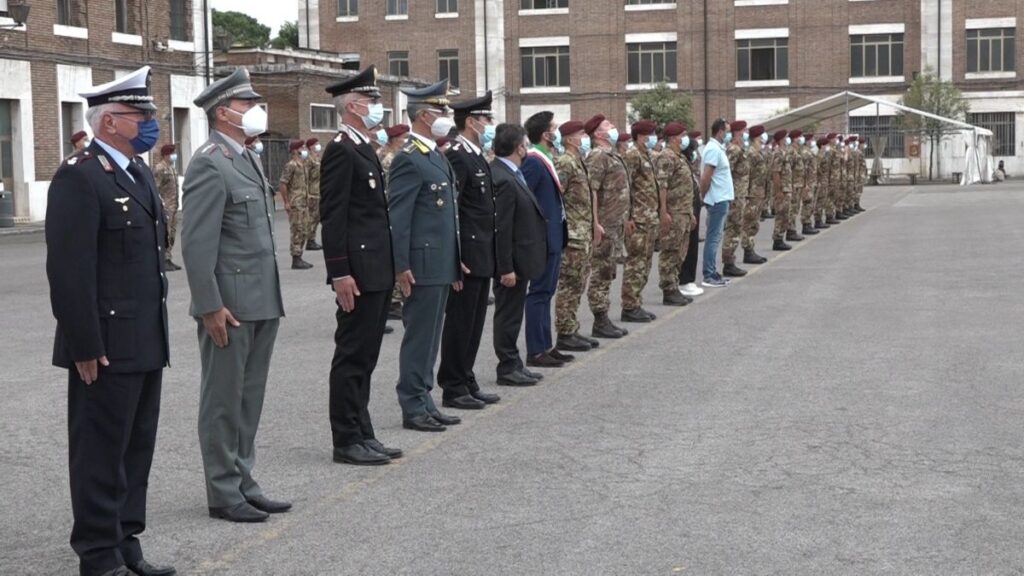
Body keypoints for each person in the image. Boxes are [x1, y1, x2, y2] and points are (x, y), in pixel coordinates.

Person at [47, 65, 176, 576]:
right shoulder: (79, 176)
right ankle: (98, 555)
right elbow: (68, 271)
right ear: (109, 121)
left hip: (144, 336)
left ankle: (127, 542)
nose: (148, 122)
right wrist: (83, 344)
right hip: (103, 342)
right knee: (100, 452)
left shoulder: (138, 172)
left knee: (135, 448)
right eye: (138, 114)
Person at [182, 67, 290, 524]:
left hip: (261, 298)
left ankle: (244, 480)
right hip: (229, 305)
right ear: (223, 112)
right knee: (224, 399)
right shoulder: (209, 162)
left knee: (249, 397)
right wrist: (209, 306)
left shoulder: (245, 156)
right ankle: (222, 491)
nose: (255, 111)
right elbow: (197, 242)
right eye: (247, 104)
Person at [320, 66, 403, 465]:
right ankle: (346, 438)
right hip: (356, 270)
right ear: (353, 105)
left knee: (367, 354)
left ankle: (362, 430)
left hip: (375, 268)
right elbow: (333, 216)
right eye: (372, 101)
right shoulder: (340, 149)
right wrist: (339, 272)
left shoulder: (363, 146)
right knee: (352, 354)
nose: (378, 108)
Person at [388, 79, 463, 432]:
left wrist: (455, 257)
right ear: (422, 116)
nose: (447, 117)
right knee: (419, 336)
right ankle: (412, 404)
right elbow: (398, 219)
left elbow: (448, 217)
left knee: (432, 335)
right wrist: (400, 266)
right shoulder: (409, 159)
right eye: (441, 111)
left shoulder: (434, 154)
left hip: (441, 262)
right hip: (421, 264)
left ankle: (425, 398)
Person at [437, 90, 503, 410]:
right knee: (461, 321)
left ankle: (466, 377)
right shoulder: (457, 156)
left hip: (482, 252)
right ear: (472, 121)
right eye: (486, 118)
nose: (490, 123)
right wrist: (455, 256)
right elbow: (451, 210)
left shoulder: (477, 154)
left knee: (475, 321)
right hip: (467, 256)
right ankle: (452, 385)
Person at [491, 123, 548, 386]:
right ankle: (507, 367)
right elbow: (501, 228)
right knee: (508, 315)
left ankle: (514, 363)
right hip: (511, 262)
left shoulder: (512, 173)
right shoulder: (501, 177)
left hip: (520, 259)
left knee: (514, 314)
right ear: (519, 148)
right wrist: (505, 268)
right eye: (525, 144)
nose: (527, 148)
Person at [521, 111, 571, 367]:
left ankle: (546, 345)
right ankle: (535, 350)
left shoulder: (547, 159)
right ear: (545, 134)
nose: (557, 131)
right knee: (538, 293)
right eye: (554, 127)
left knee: (547, 292)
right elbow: (525, 201)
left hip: (553, 237)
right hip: (542, 239)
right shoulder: (533, 161)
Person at [553, 119, 603, 351]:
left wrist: (595, 224)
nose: (585, 138)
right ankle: (564, 332)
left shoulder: (578, 161)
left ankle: (572, 328)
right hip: (572, 233)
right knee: (569, 284)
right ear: (570, 139)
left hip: (583, 231)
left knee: (579, 282)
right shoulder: (564, 162)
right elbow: (557, 197)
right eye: (582, 134)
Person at [583, 114, 630, 339]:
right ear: (598, 134)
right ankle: (600, 320)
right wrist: (595, 224)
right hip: (605, 224)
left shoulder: (612, 154)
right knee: (601, 272)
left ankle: (604, 318)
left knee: (608, 271)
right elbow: (591, 190)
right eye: (608, 125)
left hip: (615, 224)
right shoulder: (598, 156)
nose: (613, 127)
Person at [620, 119, 662, 320]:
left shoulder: (646, 154)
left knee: (645, 263)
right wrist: (628, 217)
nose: (651, 138)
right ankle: (629, 306)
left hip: (649, 217)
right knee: (635, 263)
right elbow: (626, 187)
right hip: (638, 218)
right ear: (639, 136)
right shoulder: (632, 155)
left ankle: (636, 302)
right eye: (648, 135)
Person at [653, 122, 695, 306]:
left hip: (683, 211)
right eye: (682, 134)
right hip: (673, 212)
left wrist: (691, 213)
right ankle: (668, 290)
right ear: (673, 137)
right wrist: (663, 211)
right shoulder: (666, 157)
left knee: (680, 252)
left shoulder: (679, 157)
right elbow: (662, 186)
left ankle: (674, 286)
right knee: (670, 252)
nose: (685, 138)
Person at [698, 118, 734, 287]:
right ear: (720, 132)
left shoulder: (718, 148)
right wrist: (704, 196)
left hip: (721, 198)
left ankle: (712, 272)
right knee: (713, 238)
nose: (728, 135)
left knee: (715, 237)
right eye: (727, 131)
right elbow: (706, 177)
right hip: (717, 200)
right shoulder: (713, 149)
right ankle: (709, 275)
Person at [678, 131, 705, 297]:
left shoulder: (687, 163)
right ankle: (683, 281)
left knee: (692, 245)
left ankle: (688, 280)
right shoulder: (678, 161)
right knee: (684, 248)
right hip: (684, 209)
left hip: (692, 207)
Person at [279, 140, 313, 269]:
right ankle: (296, 258)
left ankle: (300, 256)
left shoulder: (303, 165)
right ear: (295, 150)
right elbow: (283, 183)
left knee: (304, 230)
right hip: (296, 203)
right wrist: (286, 202)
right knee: (297, 230)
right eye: (302, 147)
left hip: (304, 202)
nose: (304, 149)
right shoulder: (291, 165)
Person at [721, 120, 749, 277]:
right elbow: (727, 173)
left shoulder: (739, 149)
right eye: (743, 131)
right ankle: (728, 263)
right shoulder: (733, 150)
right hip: (735, 195)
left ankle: (730, 260)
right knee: (733, 228)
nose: (745, 135)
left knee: (737, 227)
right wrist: (729, 195)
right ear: (737, 133)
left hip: (740, 194)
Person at [741, 125, 770, 264]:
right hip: (752, 193)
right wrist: (746, 193)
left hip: (758, 192)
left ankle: (751, 249)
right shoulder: (751, 153)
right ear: (758, 136)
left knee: (754, 223)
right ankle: (748, 251)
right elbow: (747, 173)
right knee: (749, 223)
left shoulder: (758, 151)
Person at [153, 143, 182, 271]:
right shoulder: (160, 168)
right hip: (165, 207)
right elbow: (155, 188)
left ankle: (168, 258)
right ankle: (163, 259)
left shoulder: (172, 168)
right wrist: (160, 205)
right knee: (165, 233)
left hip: (174, 206)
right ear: (166, 155)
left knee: (172, 234)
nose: (174, 156)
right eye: (172, 153)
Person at [770, 129, 794, 251]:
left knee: (785, 214)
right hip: (782, 189)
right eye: (784, 137)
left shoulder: (784, 152)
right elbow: (776, 173)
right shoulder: (778, 153)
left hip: (787, 188)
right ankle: (777, 240)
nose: (786, 139)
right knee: (781, 214)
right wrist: (778, 190)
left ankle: (780, 238)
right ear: (780, 140)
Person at [799, 133, 821, 237]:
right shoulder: (805, 153)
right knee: (807, 203)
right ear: (807, 141)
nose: (813, 141)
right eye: (812, 139)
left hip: (812, 181)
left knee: (811, 203)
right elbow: (804, 170)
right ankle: (806, 224)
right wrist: (806, 184)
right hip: (808, 183)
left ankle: (808, 223)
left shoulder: (809, 152)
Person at [305, 137, 323, 251]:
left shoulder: (317, 158)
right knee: (313, 217)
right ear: (311, 146)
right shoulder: (309, 160)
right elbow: (306, 177)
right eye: (316, 144)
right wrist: (307, 193)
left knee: (317, 217)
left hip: (319, 191)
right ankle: (310, 240)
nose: (318, 145)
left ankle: (312, 239)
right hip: (312, 192)